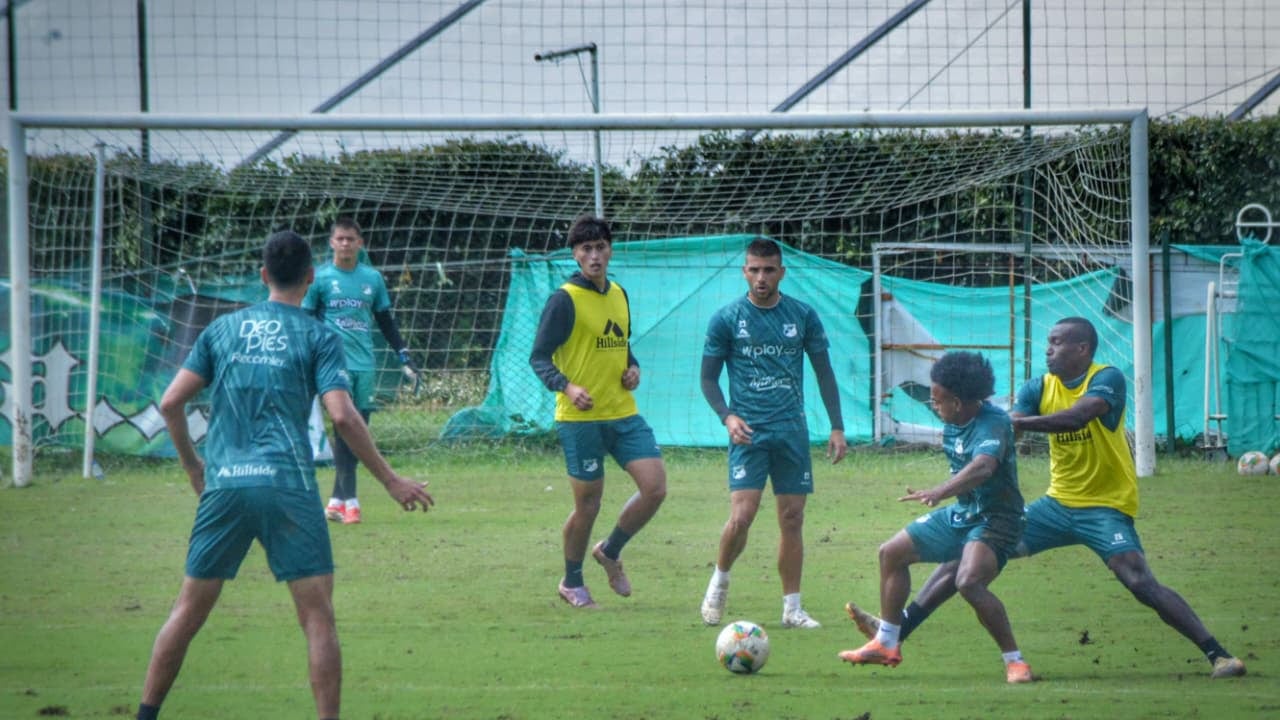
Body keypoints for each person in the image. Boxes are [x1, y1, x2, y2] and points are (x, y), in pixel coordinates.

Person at [844, 317, 1248, 679]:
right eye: (1048, 343)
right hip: (1055, 506)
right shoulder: (1038, 386)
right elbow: (1008, 431)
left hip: (1105, 507)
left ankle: (1218, 654)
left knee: (1138, 580)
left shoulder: (1107, 379)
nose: (1048, 349)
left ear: (1082, 349)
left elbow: (1077, 417)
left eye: (1056, 342)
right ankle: (892, 635)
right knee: (970, 554)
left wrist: (1006, 422)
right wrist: (991, 428)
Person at [136, 230, 434, 720]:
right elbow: (342, 416)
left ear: (262, 275)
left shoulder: (223, 331)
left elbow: (170, 403)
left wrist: (195, 467)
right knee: (317, 618)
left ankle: (146, 714)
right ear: (312, 278)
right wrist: (390, 480)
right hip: (288, 486)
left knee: (187, 611)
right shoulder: (319, 336)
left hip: (226, 484)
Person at [838, 351, 1033, 683]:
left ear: (957, 401)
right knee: (891, 552)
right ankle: (886, 642)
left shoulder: (994, 423)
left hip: (998, 520)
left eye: (938, 399)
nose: (932, 403)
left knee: (969, 582)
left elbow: (984, 467)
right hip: (963, 513)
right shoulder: (954, 422)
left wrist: (940, 491)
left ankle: (1016, 662)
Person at [698, 237, 848, 630]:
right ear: (744, 271)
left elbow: (824, 372)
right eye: (754, 269)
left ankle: (792, 608)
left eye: (768, 270)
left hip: (791, 432)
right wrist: (727, 417)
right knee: (743, 515)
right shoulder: (727, 319)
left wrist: (836, 426)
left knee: (793, 518)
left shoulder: (802, 315)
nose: (761, 277)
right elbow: (708, 380)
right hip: (748, 433)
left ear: (781, 272)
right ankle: (720, 580)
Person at [529, 215, 668, 608]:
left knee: (655, 487)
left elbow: (619, 342)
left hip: (622, 413)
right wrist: (568, 387)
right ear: (575, 255)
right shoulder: (563, 300)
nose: (594, 255)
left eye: (600, 247)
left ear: (610, 250)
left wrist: (633, 366)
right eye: (585, 249)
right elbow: (538, 358)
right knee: (587, 506)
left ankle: (610, 550)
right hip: (579, 420)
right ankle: (572, 581)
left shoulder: (619, 293)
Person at [303, 217, 419, 525]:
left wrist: (403, 353)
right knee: (344, 428)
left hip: (363, 364)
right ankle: (351, 503)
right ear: (331, 243)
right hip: (332, 364)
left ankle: (336, 501)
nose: (344, 244)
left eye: (350, 239)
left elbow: (385, 320)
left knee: (358, 431)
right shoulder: (321, 278)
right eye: (339, 239)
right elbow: (307, 318)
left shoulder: (372, 278)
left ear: (360, 243)